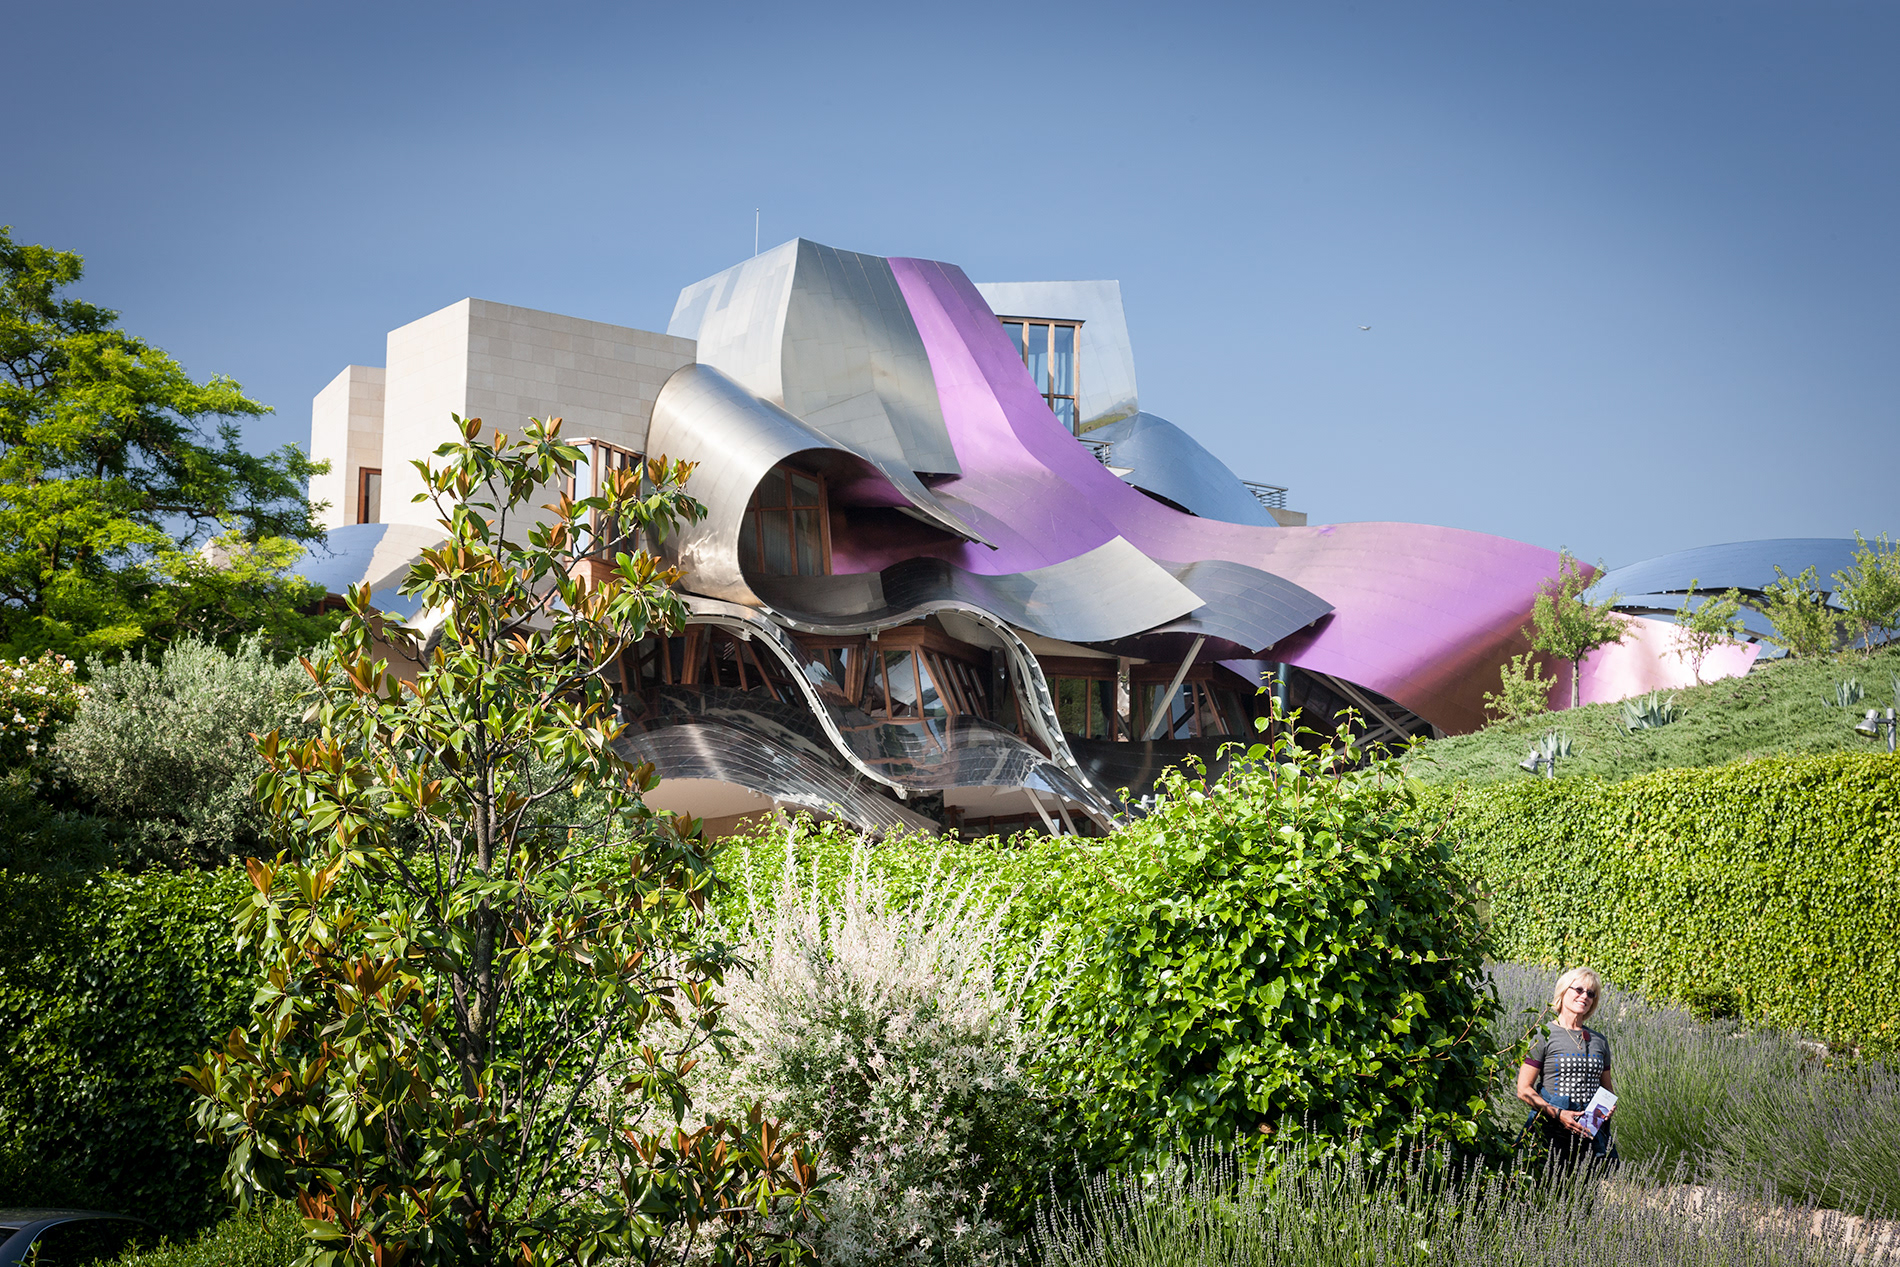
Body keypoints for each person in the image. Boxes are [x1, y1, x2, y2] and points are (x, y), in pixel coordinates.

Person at [1515, 966, 1616, 1166]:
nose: (1584, 996)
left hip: (1589, 1134)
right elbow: (1523, 1089)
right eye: (1578, 989)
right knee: (1545, 1183)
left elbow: (1607, 1089)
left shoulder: (1599, 1041)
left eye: (1590, 994)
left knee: (1591, 1185)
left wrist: (1608, 1107)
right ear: (1563, 991)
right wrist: (1559, 1114)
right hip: (1550, 1132)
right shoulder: (1543, 1035)